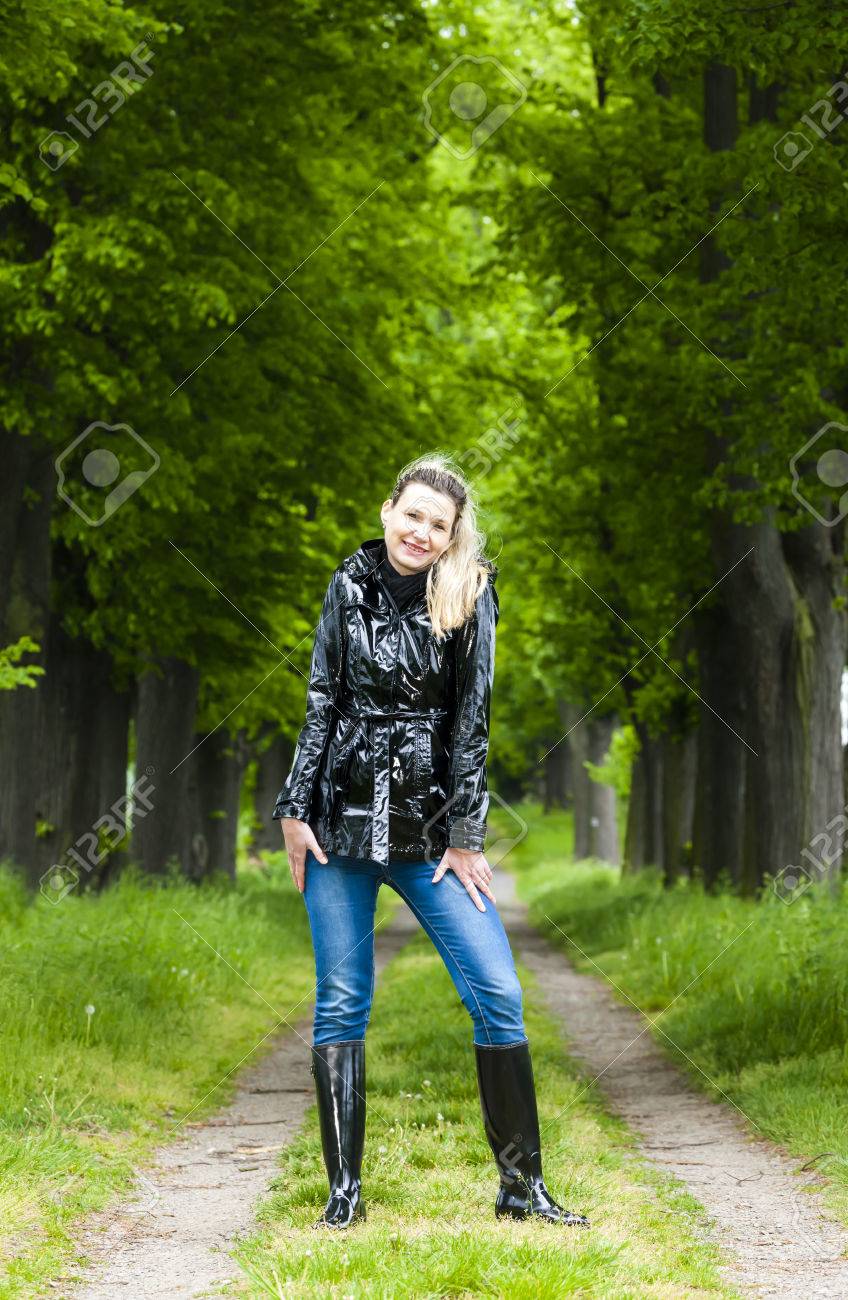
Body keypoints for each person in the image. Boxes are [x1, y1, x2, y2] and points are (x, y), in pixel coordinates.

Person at [272, 452, 589, 1231]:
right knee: (341, 1004)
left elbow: (472, 722)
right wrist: (292, 808)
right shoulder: (345, 585)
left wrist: (467, 834)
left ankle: (520, 1187)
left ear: (451, 537)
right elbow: (322, 699)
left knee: (499, 994)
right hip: (339, 825)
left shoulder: (469, 595)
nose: (420, 531)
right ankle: (343, 1195)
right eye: (410, 514)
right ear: (388, 511)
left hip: (428, 831)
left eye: (437, 524)